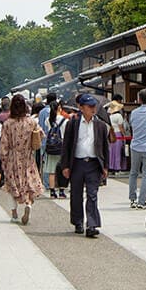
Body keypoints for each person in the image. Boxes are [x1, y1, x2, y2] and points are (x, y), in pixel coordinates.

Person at [59, 94, 110, 237]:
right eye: (89, 106)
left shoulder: (100, 125)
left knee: (92, 195)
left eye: (94, 106)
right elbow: (66, 146)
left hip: (93, 163)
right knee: (76, 194)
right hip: (77, 163)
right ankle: (78, 221)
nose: (93, 109)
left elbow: (105, 147)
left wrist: (105, 166)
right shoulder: (73, 124)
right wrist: (65, 166)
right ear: (81, 107)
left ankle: (92, 224)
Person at [0, 94, 43, 225]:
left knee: (12, 185)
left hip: (13, 158)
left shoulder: (7, 124)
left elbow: (4, 145)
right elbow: (41, 134)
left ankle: (14, 214)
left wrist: (3, 159)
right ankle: (28, 204)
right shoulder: (31, 122)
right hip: (28, 157)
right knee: (28, 182)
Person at [42, 99, 66, 199]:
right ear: (59, 108)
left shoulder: (48, 120)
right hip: (61, 146)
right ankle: (61, 191)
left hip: (51, 147)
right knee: (62, 169)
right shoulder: (64, 120)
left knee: (52, 170)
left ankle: (52, 192)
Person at [106, 99, 128, 172]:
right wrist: (124, 135)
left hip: (111, 134)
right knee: (118, 152)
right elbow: (121, 127)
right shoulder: (119, 116)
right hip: (118, 134)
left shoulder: (109, 116)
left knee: (111, 151)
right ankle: (117, 167)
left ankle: (111, 166)